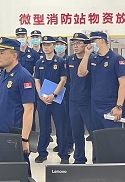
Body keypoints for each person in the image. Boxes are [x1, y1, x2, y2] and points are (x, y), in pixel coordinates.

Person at [0, 37, 34, 170]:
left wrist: (24, 139)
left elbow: (29, 109)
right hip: (2, 131)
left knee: (19, 171)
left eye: (2, 53)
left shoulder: (23, 76)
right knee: (6, 170)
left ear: (14, 55)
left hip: (15, 134)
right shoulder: (3, 74)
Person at [78, 31, 125, 130]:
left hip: (110, 106)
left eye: (93, 41)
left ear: (101, 41)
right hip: (95, 106)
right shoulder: (93, 58)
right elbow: (81, 73)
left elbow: (123, 84)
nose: (91, 44)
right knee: (98, 136)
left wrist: (119, 106)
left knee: (111, 136)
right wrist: (86, 55)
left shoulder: (116, 59)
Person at [33, 36, 69, 164]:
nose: (46, 47)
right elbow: (36, 80)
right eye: (44, 45)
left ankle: (64, 155)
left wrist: (54, 95)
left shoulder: (60, 61)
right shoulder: (39, 62)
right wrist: (40, 95)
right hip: (43, 100)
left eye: (49, 45)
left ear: (53, 46)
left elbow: (63, 80)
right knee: (44, 128)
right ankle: (42, 153)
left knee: (61, 127)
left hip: (57, 99)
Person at [66, 33, 93, 164]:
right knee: (76, 132)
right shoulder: (69, 59)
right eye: (74, 43)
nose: (75, 46)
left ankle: (97, 159)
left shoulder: (92, 59)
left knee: (94, 133)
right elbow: (67, 80)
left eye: (78, 43)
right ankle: (79, 158)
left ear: (86, 45)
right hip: (73, 101)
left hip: (88, 101)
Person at [54, 35, 73, 155]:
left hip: (67, 93)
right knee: (59, 121)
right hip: (55, 93)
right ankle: (60, 143)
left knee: (68, 120)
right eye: (57, 44)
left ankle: (69, 144)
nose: (59, 46)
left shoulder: (69, 60)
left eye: (61, 44)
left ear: (65, 47)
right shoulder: (53, 60)